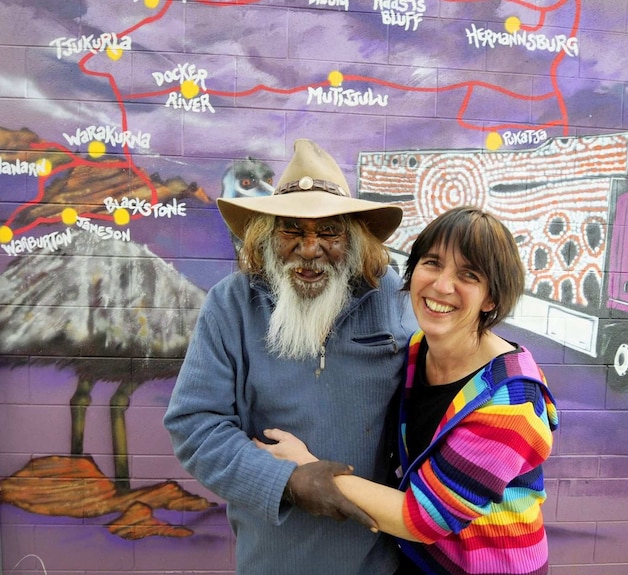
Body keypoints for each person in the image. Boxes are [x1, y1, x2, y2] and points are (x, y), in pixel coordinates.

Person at [257, 206, 560, 575]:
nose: (442, 285)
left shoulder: (512, 402)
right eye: (432, 263)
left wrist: (310, 471)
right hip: (420, 562)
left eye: (468, 274)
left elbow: (425, 519)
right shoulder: (416, 352)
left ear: (491, 299)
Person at [163, 139, 417, 574]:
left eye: (329, 232)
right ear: (266, 235)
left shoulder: (391, 296)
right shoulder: (232, 305)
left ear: (354, 237)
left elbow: (443, 383)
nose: (309, 248)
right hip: (272, 560)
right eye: (292, 231)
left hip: (376, 561)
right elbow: (195, 425)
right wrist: (290, 481)